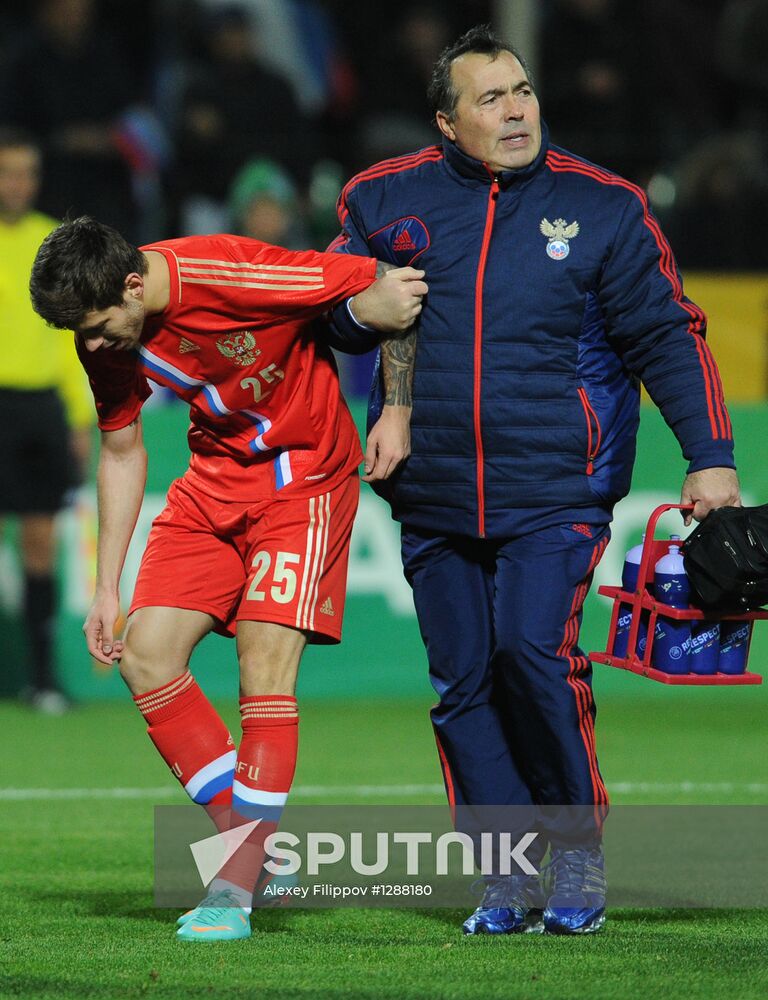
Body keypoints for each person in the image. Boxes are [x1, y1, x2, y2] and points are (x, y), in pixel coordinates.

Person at [326, 25, 739, 936]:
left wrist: (710, 456)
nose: (515, 111)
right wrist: (362, 310)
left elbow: (668, 335)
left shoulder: (606, 206)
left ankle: (578, 858)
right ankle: (506, 876)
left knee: (532, 655)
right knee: (464, 683)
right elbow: (338, 321)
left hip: (559, 483)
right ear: (446, 122)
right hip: (432, 486)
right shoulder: (382, 197)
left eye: (522, 92)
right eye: (490, 99)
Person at [30, 216, 426, 941]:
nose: (91, 345)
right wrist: (106, 586)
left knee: (262, 665)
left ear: (133, 284)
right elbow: (120, 452)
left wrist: (392, 405)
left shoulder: (235, 271)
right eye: (77, 333)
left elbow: (386, 285)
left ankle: (233, 891)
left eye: (95, 327)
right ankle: (259, 852)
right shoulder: (108, 333)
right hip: (212, 485)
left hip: (303, 480)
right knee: (145, 656)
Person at [0, 129, 93, 714]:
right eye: (9, 171)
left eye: (27, 172)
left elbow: (70, 338)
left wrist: (80, 417)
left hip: (38, 410)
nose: (18, 183)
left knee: (40, 541)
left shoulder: (51, 245)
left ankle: (43, 677)